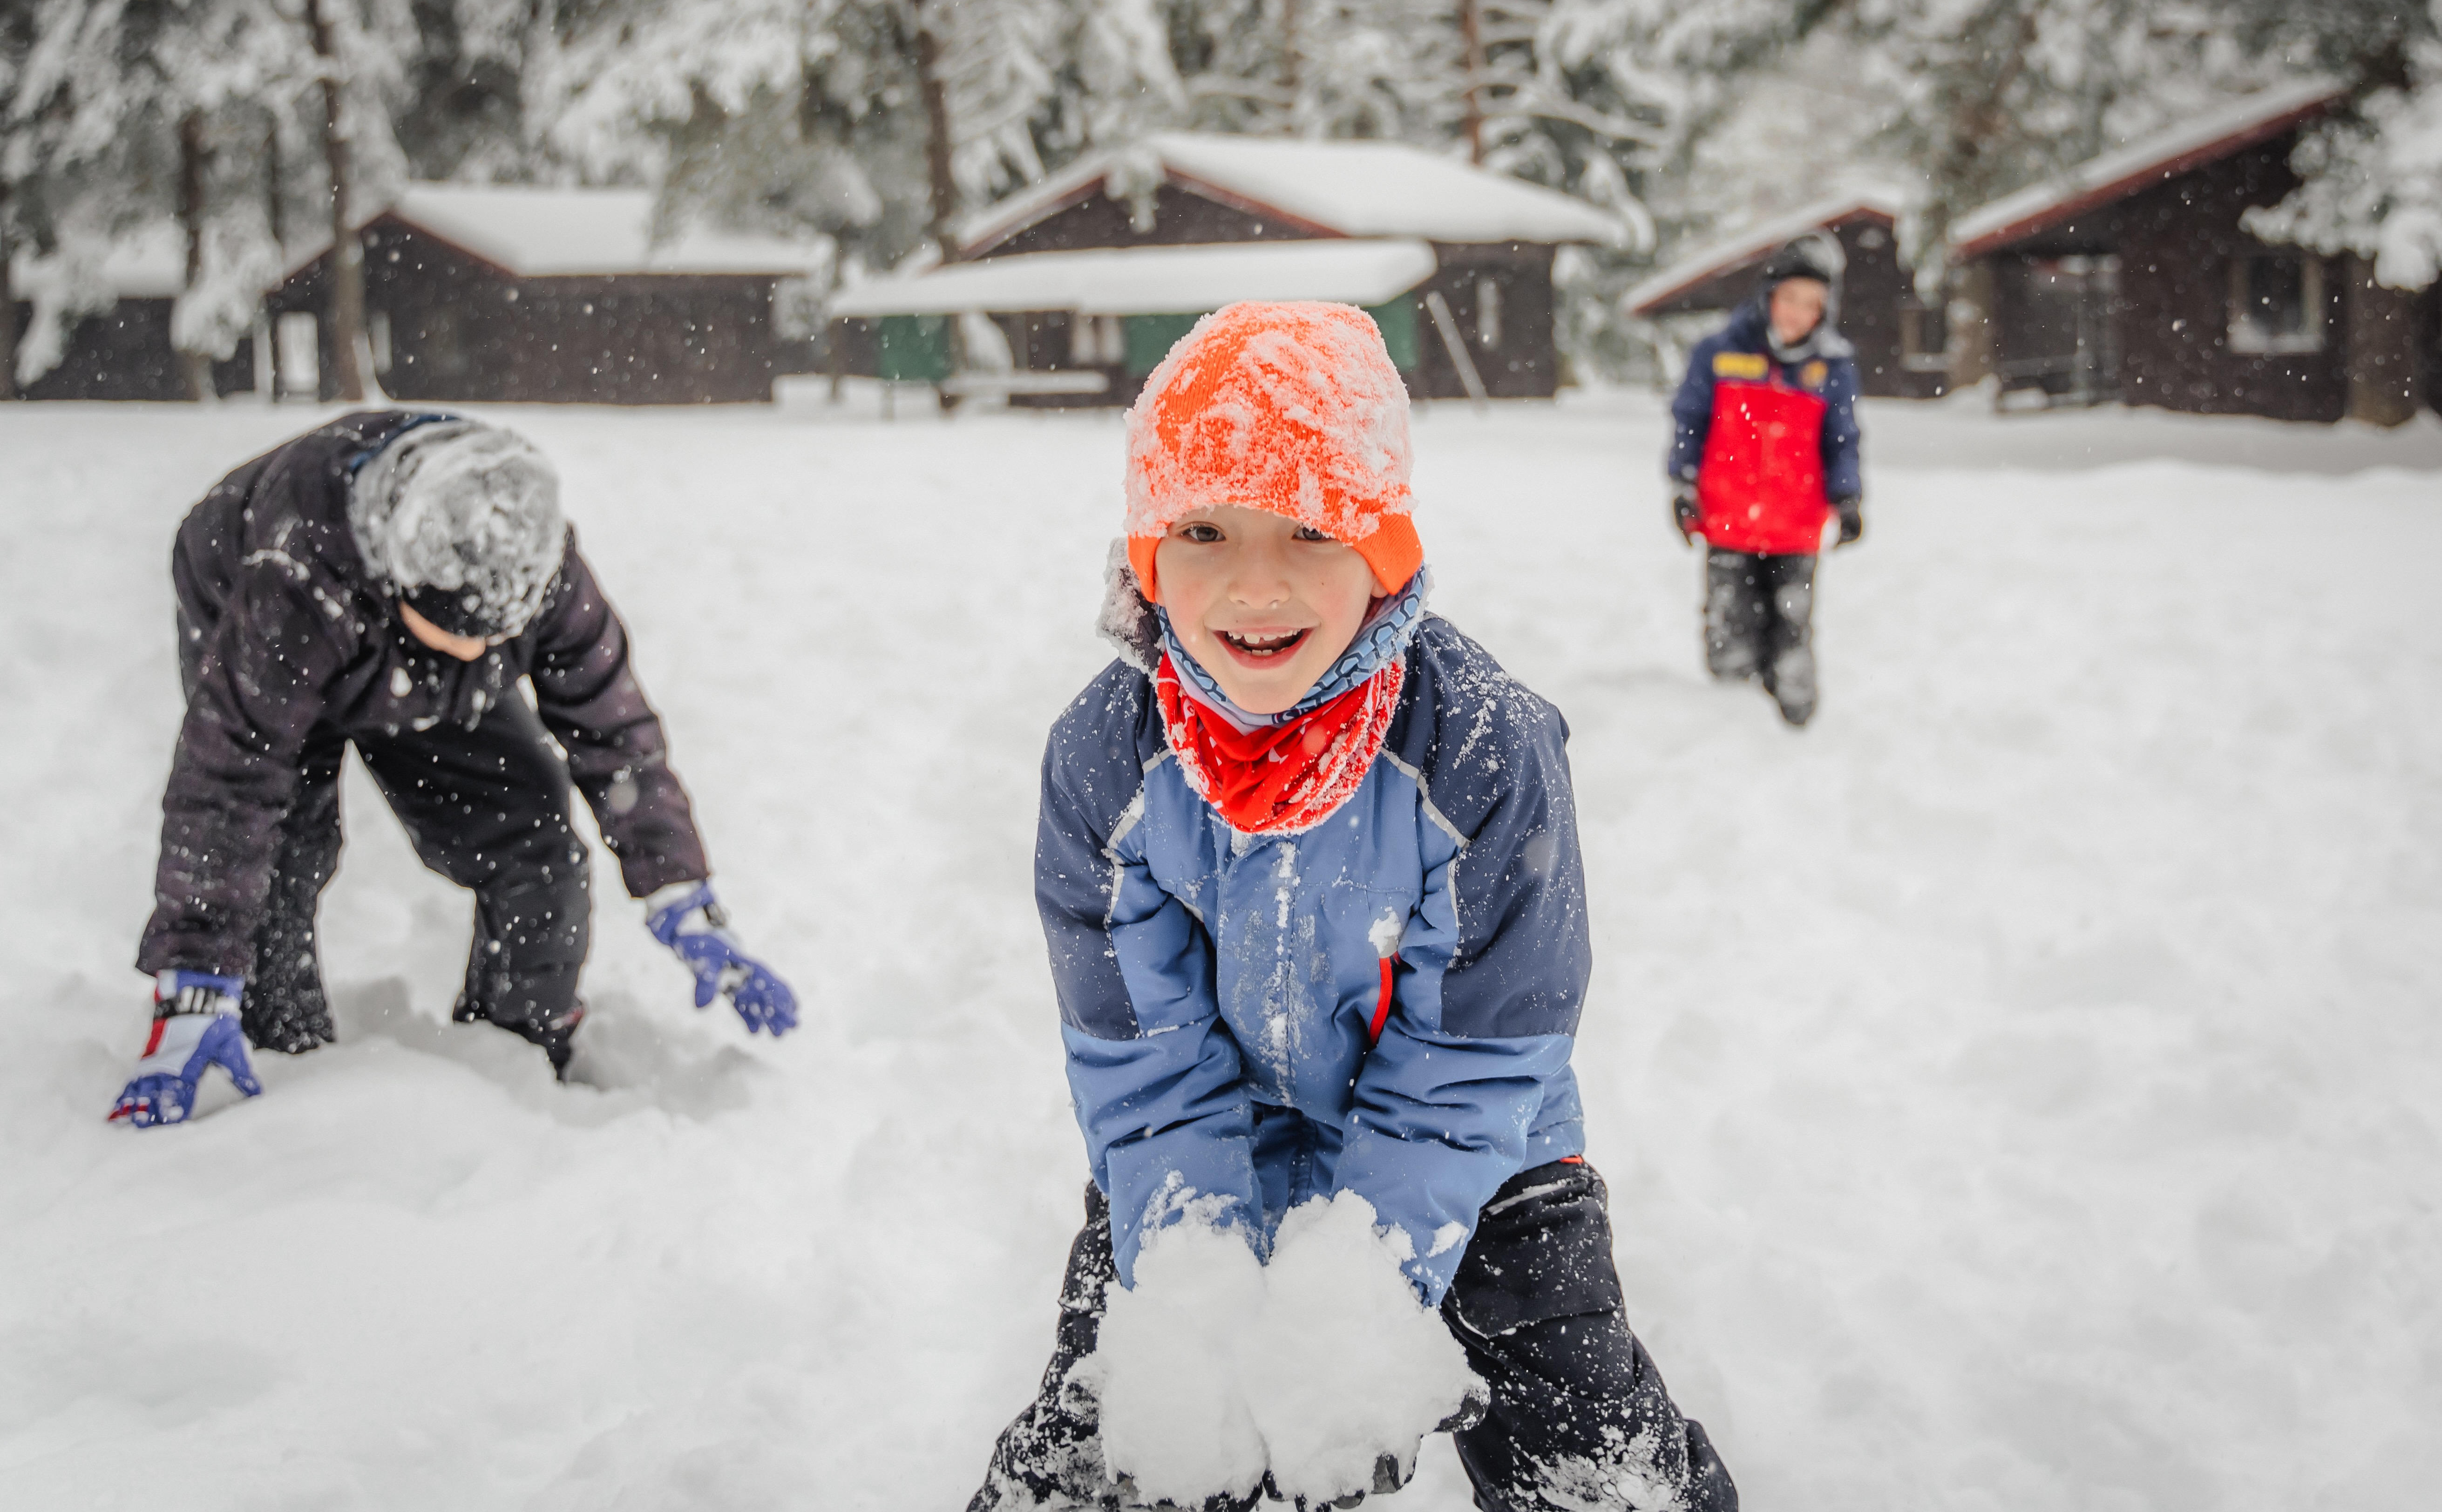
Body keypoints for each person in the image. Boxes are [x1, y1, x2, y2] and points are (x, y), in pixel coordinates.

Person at [971, 303, 1735, 1512]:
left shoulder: (1481, 746)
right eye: (1204, 529)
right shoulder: (1106, 761)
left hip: (1482, 1159)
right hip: (1205, 1143)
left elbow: (1481, 1052)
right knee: (1124, 1438)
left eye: (1312, 530)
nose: (1254, 586)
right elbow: (1143, 1061)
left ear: (1381, 548)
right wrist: (1193, 1269)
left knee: (1587, 1457)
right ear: (1143, 554)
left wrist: (1364, 1289)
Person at [112, 410, 796, 1128]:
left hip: (401, 627)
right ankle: (274, 1050)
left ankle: (519, 1054)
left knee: (533, 834)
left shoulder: (535, 564)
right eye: (457, 635)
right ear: (403, 582)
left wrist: (679, 886)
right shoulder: (296, 576)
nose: (479, 654)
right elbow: (230, 777)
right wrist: (196, 969)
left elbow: (613, 727)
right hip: (260, 607)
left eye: (497, 638)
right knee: (285, 848)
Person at [1666, 233, 1865, 727]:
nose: (1798, 313)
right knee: (1729, 629)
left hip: (1796, 528)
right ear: (1769, 295)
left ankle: (1796, 730)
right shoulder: (1720, 353)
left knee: (1791, 630)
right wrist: (1683, 486)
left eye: (1812, 304)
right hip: (1728, 520)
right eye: (1791, 299)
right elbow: (1689, 421)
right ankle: (1733, 726)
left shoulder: (1831, 367)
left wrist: (1848, 498)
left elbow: (1842, 439)